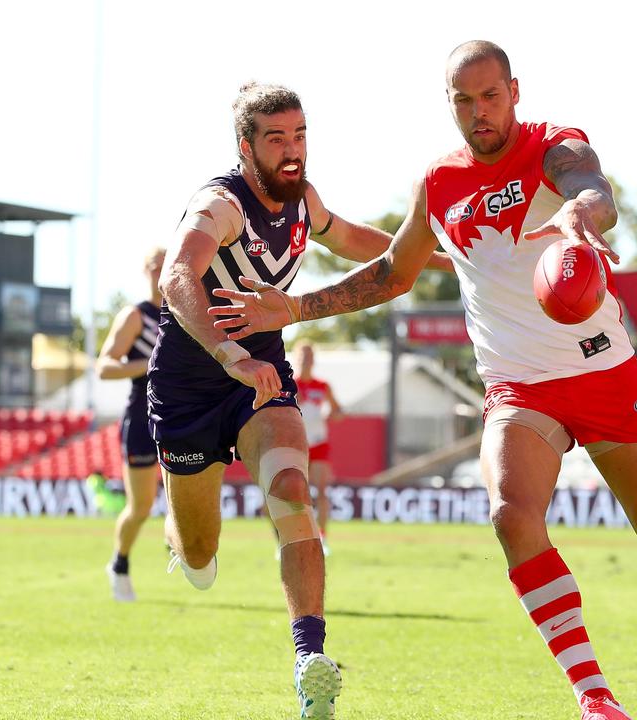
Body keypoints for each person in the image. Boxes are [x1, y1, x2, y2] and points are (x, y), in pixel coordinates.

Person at [209, 42, 637, 720]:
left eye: (490, 96)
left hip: (601, 368)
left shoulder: (552, 146)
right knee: (511, 515)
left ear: (513, 90)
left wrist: (582, 212)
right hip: (517, 389)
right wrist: (296, 308)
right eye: (463, 101)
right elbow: (394, 272)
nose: (480, 112)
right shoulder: (440, 185)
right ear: (449, 105)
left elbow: (592, 185)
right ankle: (595, 696)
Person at [150, 82, 445, 719]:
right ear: (245, 147)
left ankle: (310, 663)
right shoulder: (221, 204)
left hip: (265, 374)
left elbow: (356, 242)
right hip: (190, 382)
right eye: (277, 139)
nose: (292, 151)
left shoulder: (303, 199)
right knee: (200, 557)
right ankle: (181, 539)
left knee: (292, 488)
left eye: (301, 135)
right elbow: (177, 276)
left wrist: (441, 257)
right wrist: (232, 354)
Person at [98, 247, 165, 602]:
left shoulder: (185, 313)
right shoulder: (136, 316)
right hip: (142, 413)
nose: (161, 272)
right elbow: (104, 366)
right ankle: (119, 564)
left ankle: (183, 546)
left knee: (187, 492)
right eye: (156, 266)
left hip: (181, 414)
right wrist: (149, 363)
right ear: (145, 271)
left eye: (168, 265)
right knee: (140, 506)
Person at [293, 341, 342, 553]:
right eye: (303, 356)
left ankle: (323, 537)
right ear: (296, 358)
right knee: (296, 492)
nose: (307, 360)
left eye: (310, 356)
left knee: (322, 491)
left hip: (319, 442)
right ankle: (294, 537)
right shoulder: (290, 384)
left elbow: (337, 410)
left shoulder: (322, 385)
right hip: (296, 442)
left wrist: (331, 415)